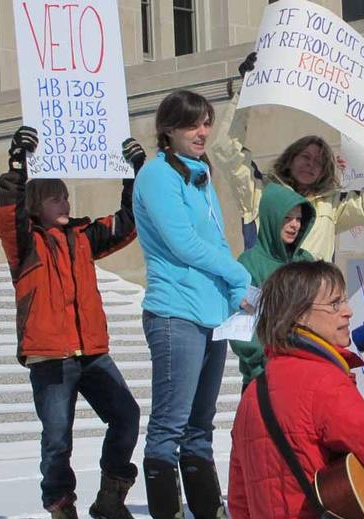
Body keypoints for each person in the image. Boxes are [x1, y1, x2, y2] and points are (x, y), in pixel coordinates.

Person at [0, 127, 143, 519]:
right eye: (55, 195)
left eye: (66, 194)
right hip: (51, 356)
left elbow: (128, 222)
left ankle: (111, 496)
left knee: (126, 416)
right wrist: (17, 165)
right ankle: (61, 505)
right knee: (58, 440)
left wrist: (134, 175)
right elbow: (8, 214)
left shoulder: (83, 236)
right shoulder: (25, 245)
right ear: (37, 204)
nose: (65, 200)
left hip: (92, 352)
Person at [133, 90, 252, 518]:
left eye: (206, 122)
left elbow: (214, 240)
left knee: (200, 427)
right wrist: (238, 274)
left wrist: (233, 292)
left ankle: (207, 510)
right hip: (175, 311)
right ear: (168, 129)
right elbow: (183, 243)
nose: (202, 131)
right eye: (192, 125)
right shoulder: (157, 175)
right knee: (170, 426)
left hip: (211, 313)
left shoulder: (198, 173)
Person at [228, 261, 364, 518]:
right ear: (299, 315)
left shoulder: (253, 392)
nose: (348, 311)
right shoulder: (323, 383)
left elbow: (240, 501)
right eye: (334, 304)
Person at [209, 52, 364, 260]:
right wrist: (245, 93)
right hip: (268, 288)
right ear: (290, 159)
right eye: (306, 157)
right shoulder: (259, 191)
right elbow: (227, 150)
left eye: (319, 163)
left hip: (315, 290)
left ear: (324, 172)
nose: (311, 165)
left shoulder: (332, 205)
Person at [230, 182, 315, 389]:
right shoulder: (250, 263)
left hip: (306, 375)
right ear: (271, 218)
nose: (294, 225)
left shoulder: (307, 262)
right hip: (263, 378)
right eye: (287, 218)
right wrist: (265, 362)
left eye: (298, 219)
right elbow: (242, 328)